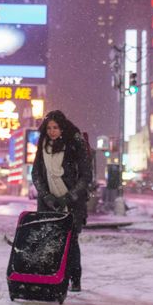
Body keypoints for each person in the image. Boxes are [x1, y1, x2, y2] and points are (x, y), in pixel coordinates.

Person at [31, 110, 92, 292]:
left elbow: (86, 175)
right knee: (49, 240)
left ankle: (75, 278)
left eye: (55, 127)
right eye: (49, 128)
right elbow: (36, 174)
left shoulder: (74, 144)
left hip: (72, 202)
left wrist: (69, 196)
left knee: (71, 241)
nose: (52, 131)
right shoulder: (42, 145)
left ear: (62, 128)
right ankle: (51, 276)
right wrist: (47, 196)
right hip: (48, 202)